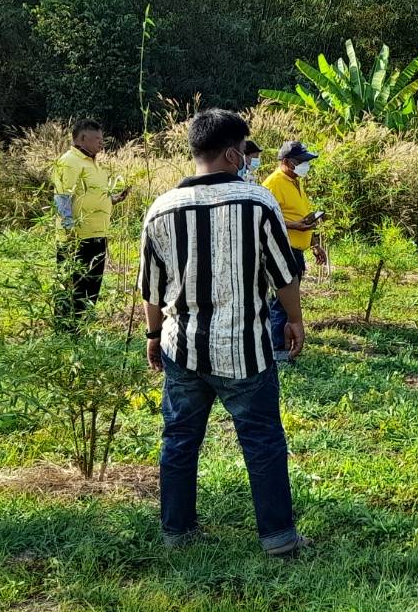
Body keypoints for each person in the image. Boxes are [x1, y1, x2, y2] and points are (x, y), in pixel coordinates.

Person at [138, 108, 310, 557]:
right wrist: (294, 320)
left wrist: (153, 336)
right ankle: (278, 539)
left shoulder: (160, 208)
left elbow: (151, 289)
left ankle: (177, 533)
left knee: (179, 440)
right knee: (262, 441)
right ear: (234, 155)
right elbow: (283, 274)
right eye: (245, 152)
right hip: (245, 349)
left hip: (182, 346)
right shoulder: (257, 203)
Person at [51, 120, 128, 323]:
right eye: (97, 139)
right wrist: (69, 229)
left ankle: (83, 326)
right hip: (77, 237)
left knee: (91, 285)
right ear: (83, 138)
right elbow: (62, 197)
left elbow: (91, 196)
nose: (101, 143)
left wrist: (113, 199)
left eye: (102, 139)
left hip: (97, 234)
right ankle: (66, 328)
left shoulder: (94, 164)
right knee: (73, 285)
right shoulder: (69, 162)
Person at [262, 140, 327, 362]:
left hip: (297, 249)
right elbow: (266, 218)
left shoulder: (295, 181)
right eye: (301, 161)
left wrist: (314, 243)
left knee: (288, 300)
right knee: (282, 301)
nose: (305, 165)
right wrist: (294, 226)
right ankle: (278, 351)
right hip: (283, 249)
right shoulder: (273, 183)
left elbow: (301, 215)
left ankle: (282, 347)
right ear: (287, 162)